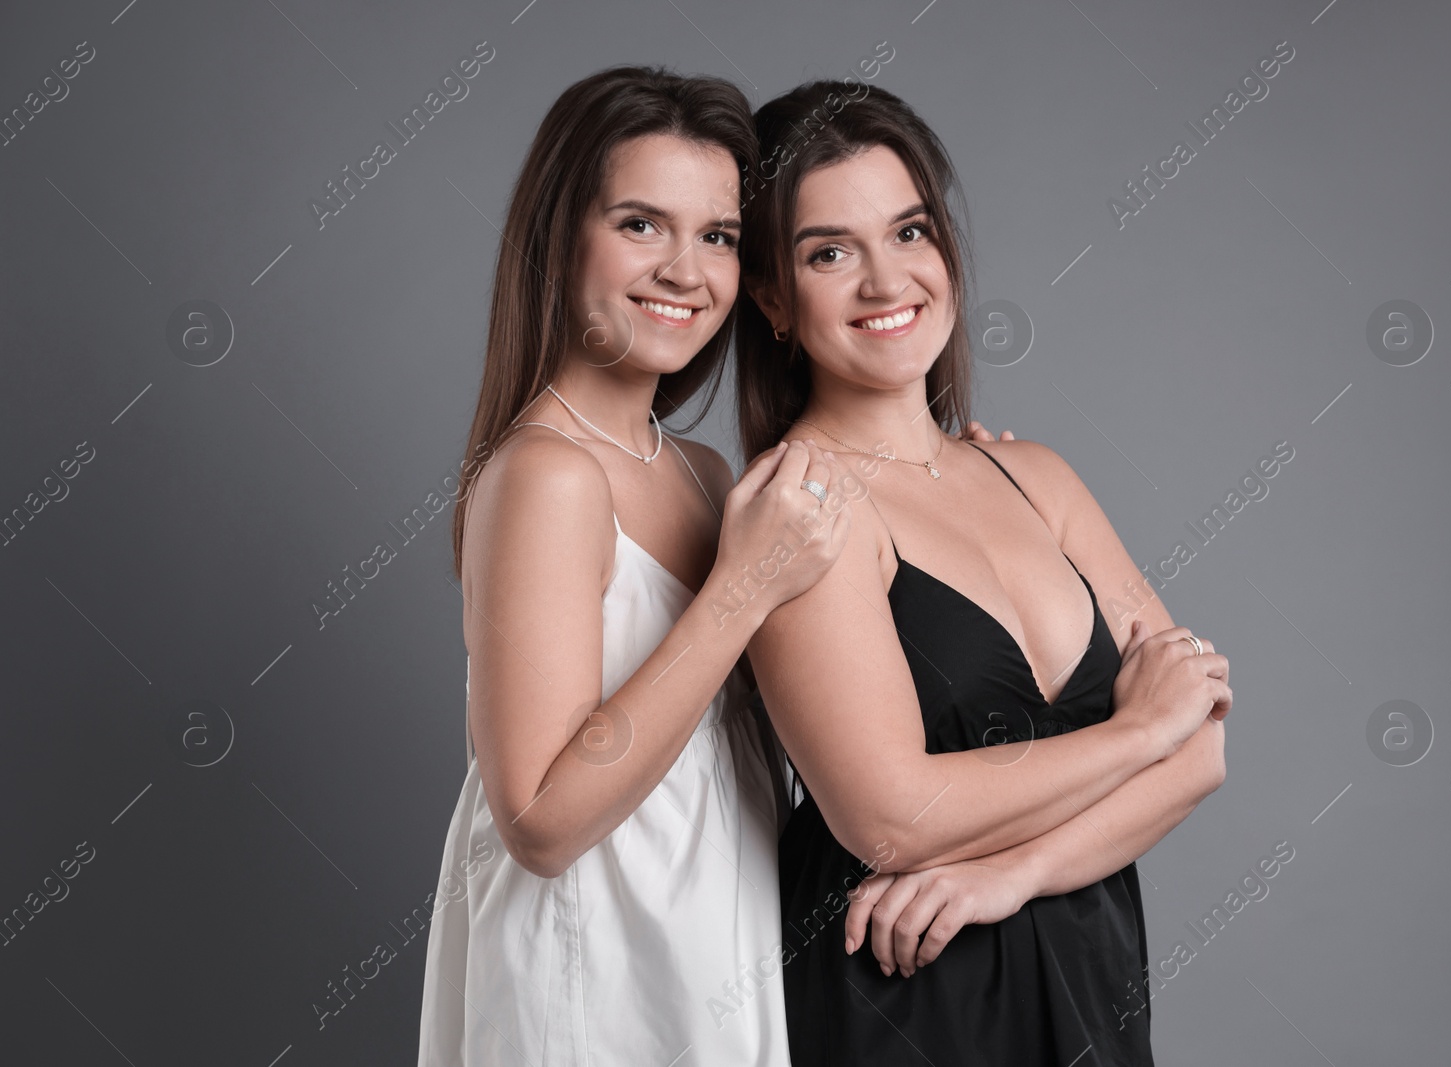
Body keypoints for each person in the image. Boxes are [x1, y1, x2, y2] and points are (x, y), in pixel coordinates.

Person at [734, 81, 1232, 1066]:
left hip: (1088, 972)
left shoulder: (1035, 474)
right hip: (905, 992)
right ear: (772, 299)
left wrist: (1016, 872)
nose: (887, 281)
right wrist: (1137, 728)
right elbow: (885, 815)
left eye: (909, 231)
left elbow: (1202, 751)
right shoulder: (798, 507)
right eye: (830, 251)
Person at [416, 66, 852, 1066]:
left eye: (719, 237)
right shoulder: (546, 472)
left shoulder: (700, 473)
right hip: (593, 980)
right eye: (639, 225)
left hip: (707, 953)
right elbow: (539, 818)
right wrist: (744, 586)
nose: (685, 272)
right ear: (560, 236)